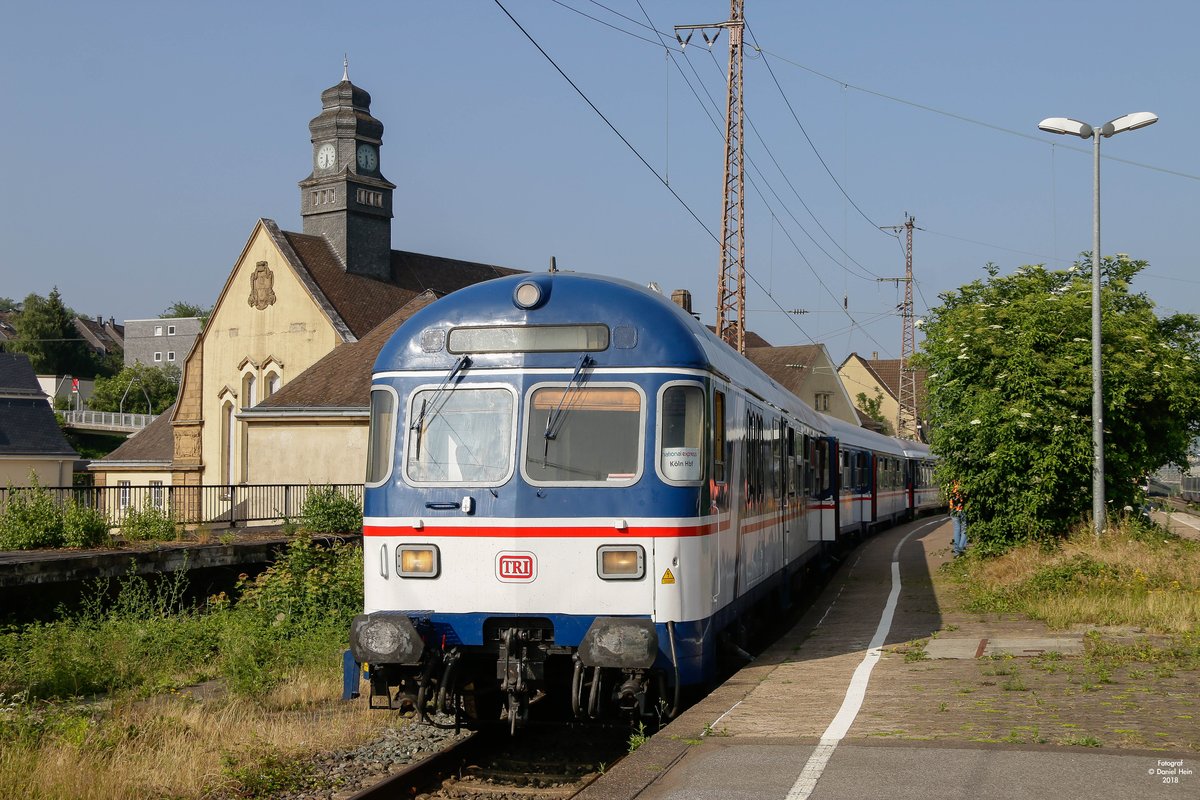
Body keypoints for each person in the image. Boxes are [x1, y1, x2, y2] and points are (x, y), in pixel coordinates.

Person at [949, 480, 967, 556]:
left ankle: (956, 552)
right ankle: (960, 549)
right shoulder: (964, 484)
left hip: (953, 510)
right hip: (963, 510)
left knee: (956, 530)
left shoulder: (950, 485)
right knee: (964, 530)